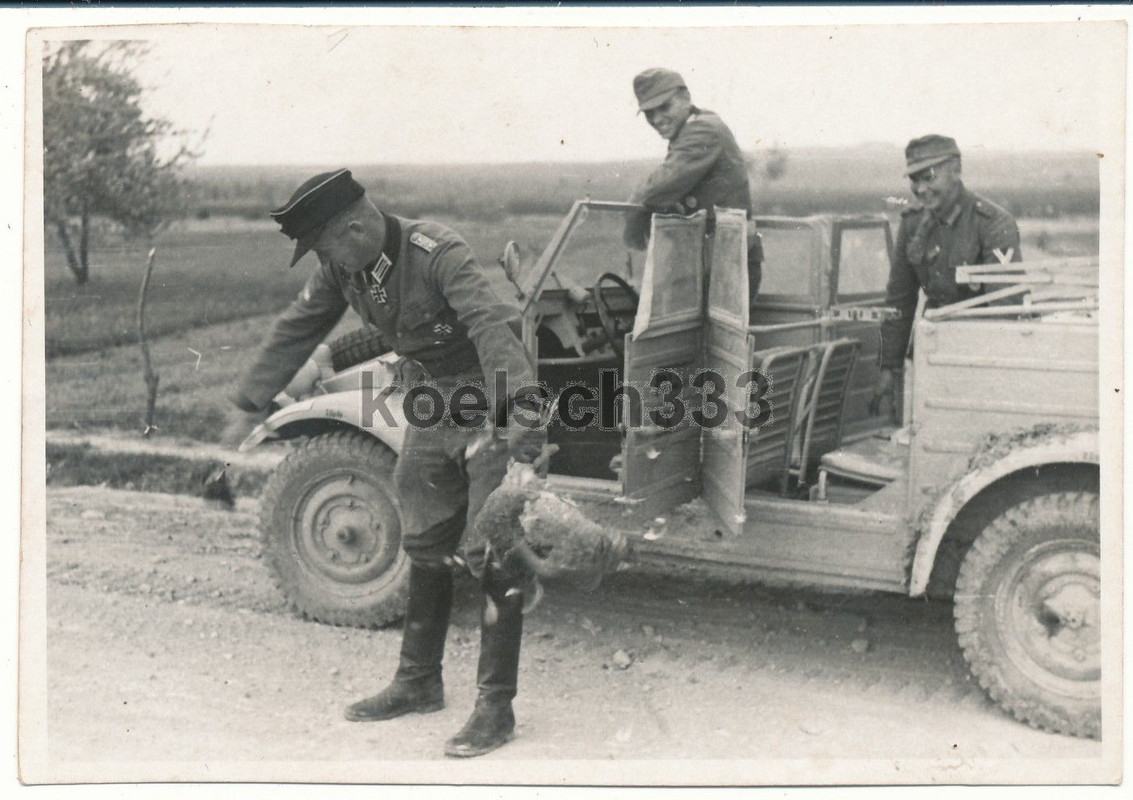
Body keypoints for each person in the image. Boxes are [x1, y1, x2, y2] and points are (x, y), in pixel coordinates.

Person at [223, 169, 544, 758]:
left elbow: (488, 325)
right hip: (432, 403)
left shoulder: (437, 251)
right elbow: (297, 329)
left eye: (322, 245)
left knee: (490, 545)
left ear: (353, 226)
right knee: (423, 530)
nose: (323, 260)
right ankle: (419, 682)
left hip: (487, 397)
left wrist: (521, 405)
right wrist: (247, 404)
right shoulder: (345, 267)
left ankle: (495, 708)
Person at [873, 135, 1023, 418]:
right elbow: (899, 300)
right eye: (914, 180)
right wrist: (889, 366)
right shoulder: (913, 223)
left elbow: (1005, 310)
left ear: (956, 169)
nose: (921, 188)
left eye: (929, 177)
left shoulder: (993, 224)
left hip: (981, 358)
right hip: (932, 354)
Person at [624, 67, 764, 302]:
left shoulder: (703, 130)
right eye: (649, 114)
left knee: (713, 339)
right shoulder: (690, 129)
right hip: (711, 260)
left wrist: (633, 228)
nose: (657, 119)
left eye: (664, 107)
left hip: (727, 262)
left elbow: (658, 188)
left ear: (686, 98)